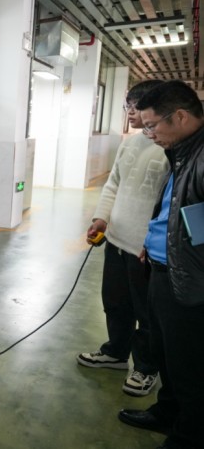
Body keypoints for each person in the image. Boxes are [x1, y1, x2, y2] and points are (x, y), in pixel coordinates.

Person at [117, 80, 204, 449]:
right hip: (161, 267)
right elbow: (175, 208)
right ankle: (167, 413)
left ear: (180, 116)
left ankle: (188, 436)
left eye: (153, 125)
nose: (149, 133)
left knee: (189, 366)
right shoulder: (182, 151)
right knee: (166, 354)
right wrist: (154, 243)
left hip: (189, 280)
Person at [76, 80, 169, 397]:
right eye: (127, 106)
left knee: (147, 314)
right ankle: (115, 353)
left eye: (134, 107)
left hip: (146, 249)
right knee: (115, 302)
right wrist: (101, 218)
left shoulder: (169, 146)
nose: (129, 112)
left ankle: (146, 368)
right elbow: (113, 183)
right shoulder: (130, 144)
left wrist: (155, 242)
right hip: (116, 240)